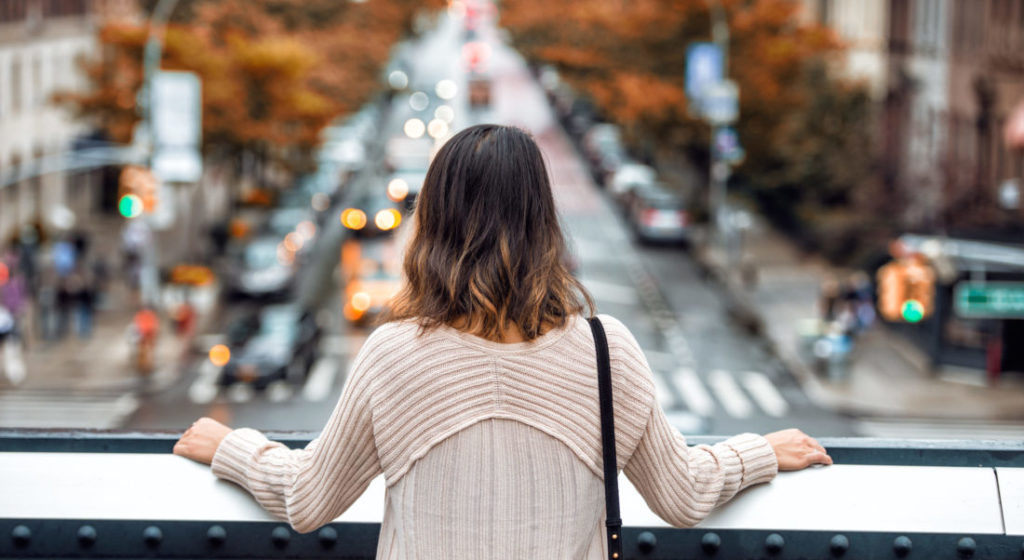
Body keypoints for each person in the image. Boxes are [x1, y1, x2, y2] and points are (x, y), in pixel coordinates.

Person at [174, 125, 831, 558]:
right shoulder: (606, 351)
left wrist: (230, 446)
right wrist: (761, 452)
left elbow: (309, 500)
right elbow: (683, 495)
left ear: (432, 224)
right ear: (544, 222)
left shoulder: (393, 353)